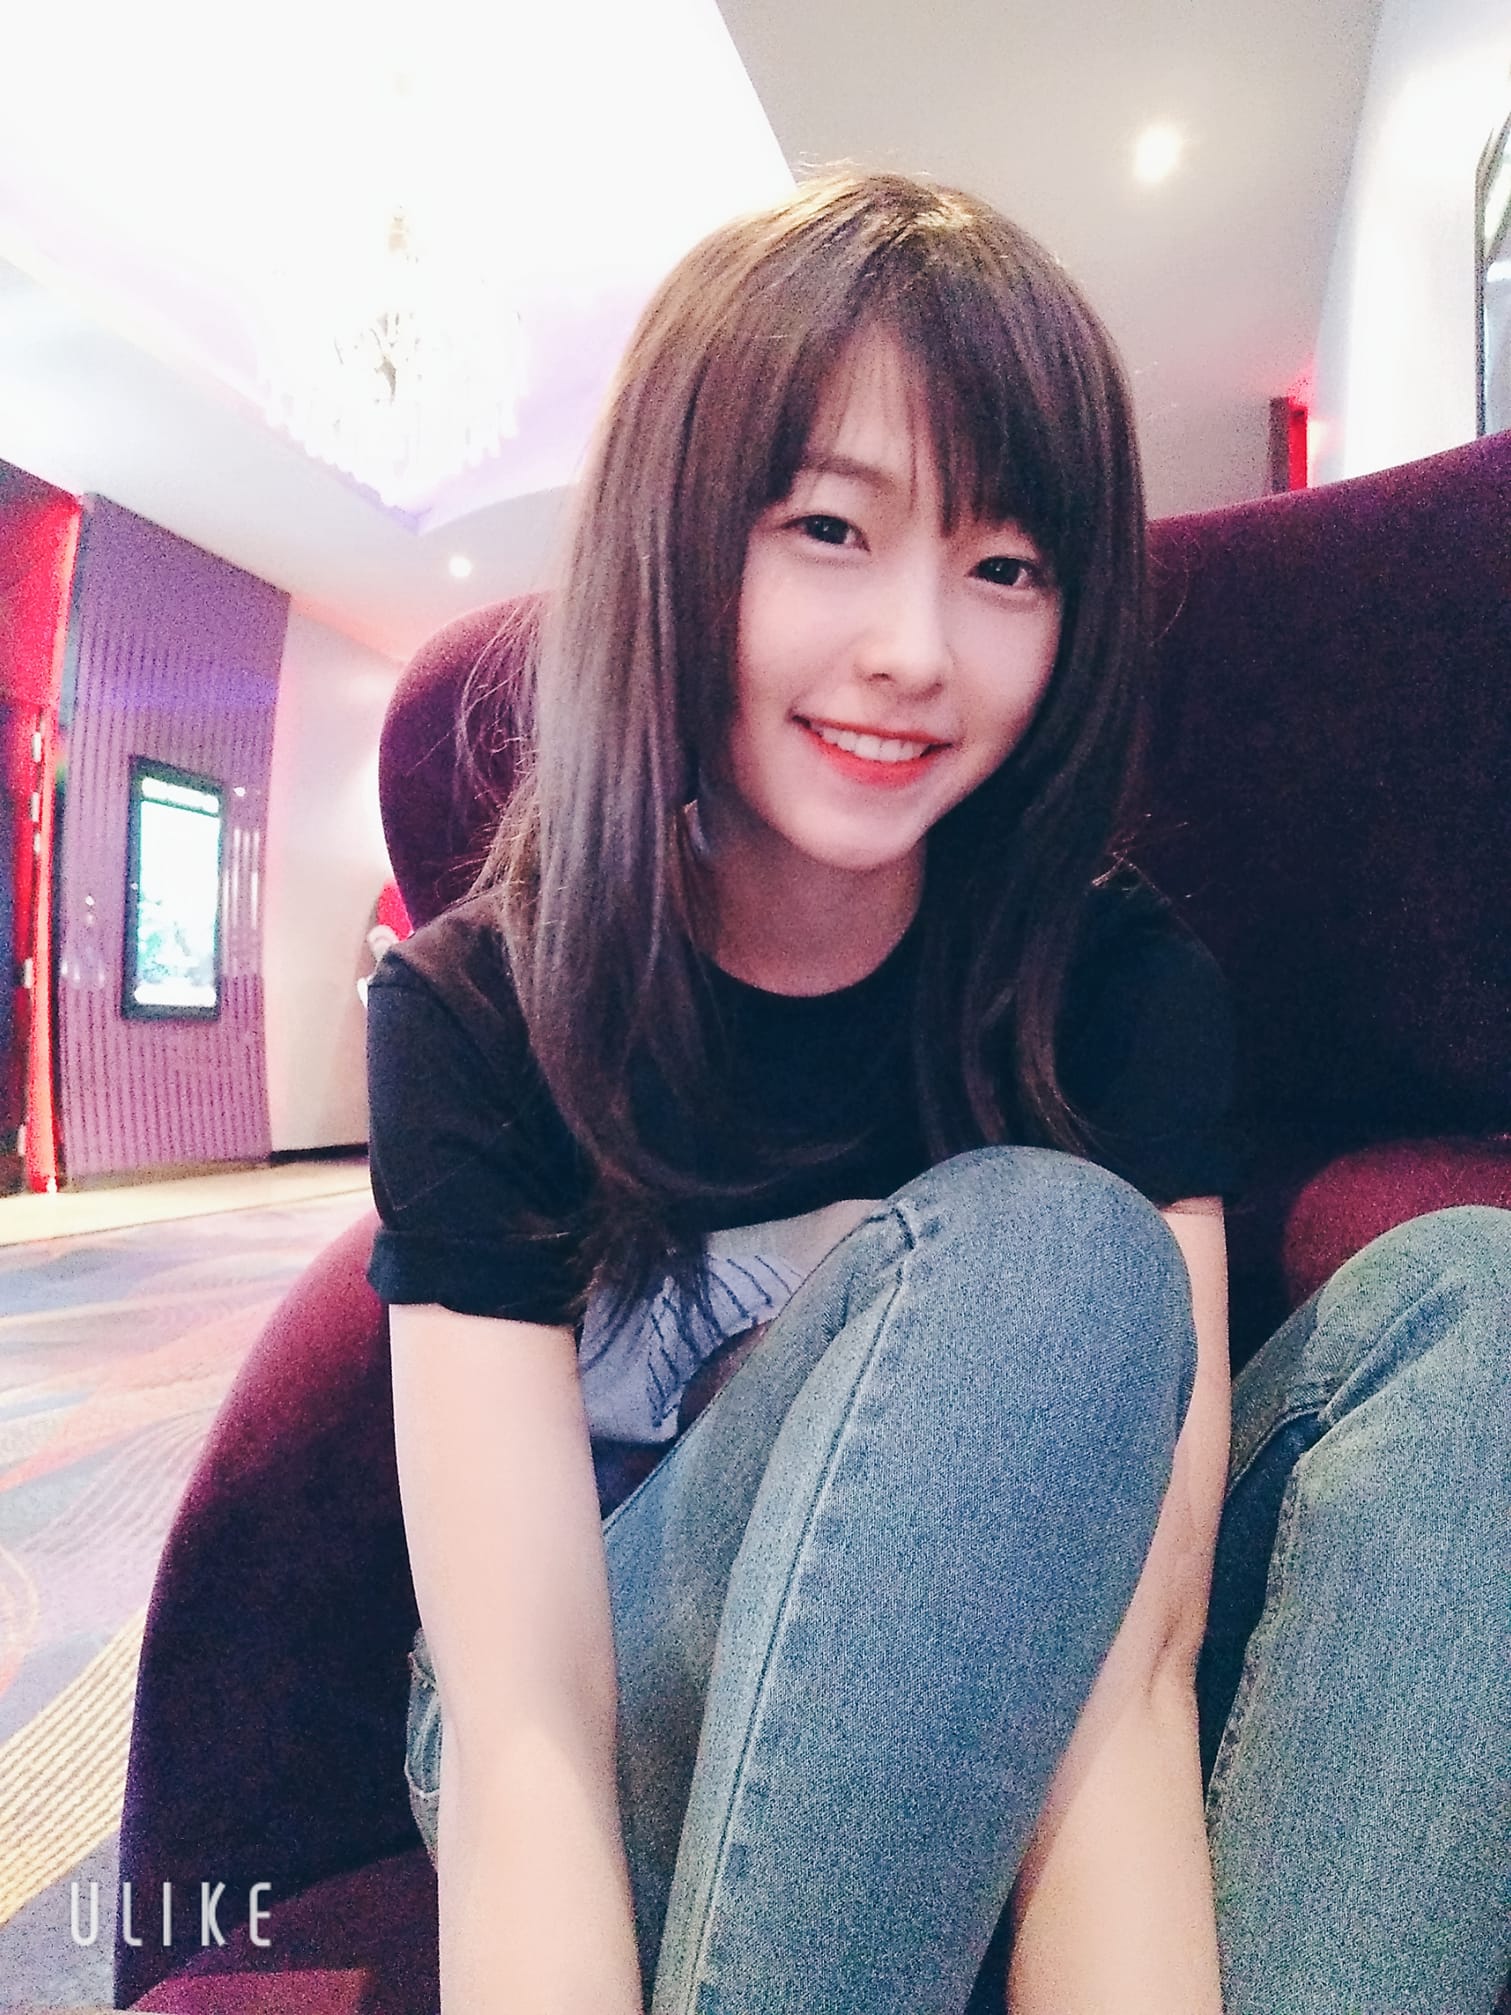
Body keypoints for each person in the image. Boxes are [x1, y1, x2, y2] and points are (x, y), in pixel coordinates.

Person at [365, 172, 1511, 2014]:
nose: (915, 648)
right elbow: (525, 1731)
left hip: (1014, 1701)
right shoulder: (477, 1010)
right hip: (617, 1705)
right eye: (830, 528)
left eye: (1005, 569)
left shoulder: (1112, 987)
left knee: (1476, 1311)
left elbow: (1133, 1663)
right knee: (1044, 1255)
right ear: (678, 539)